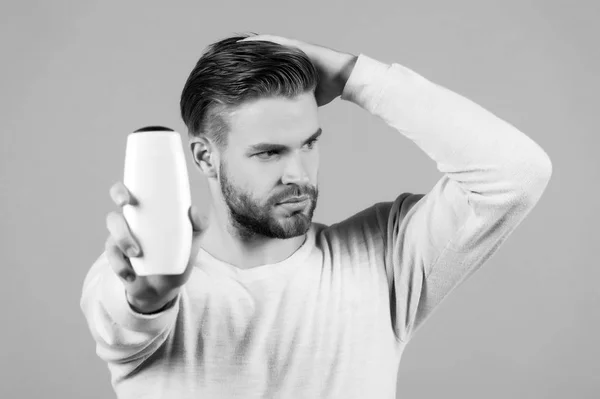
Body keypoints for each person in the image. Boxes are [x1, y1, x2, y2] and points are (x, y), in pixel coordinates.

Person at [80, 33, 552, 398]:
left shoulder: (385, 257)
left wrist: (354, 76)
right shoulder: (139, 276)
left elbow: (517, 172)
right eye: (268, 153)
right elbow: (123, 313)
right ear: (205, 157)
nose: (298, 174)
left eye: (309, 143)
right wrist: (150, 298)